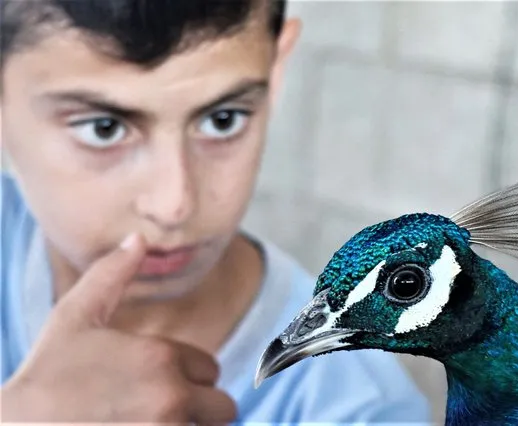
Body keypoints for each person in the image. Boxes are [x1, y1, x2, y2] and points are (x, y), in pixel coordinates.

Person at [0, 0, 430, 423]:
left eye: (223, 119)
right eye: (103, 128)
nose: (174, 206)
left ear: (275, 68)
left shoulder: (363, 411)